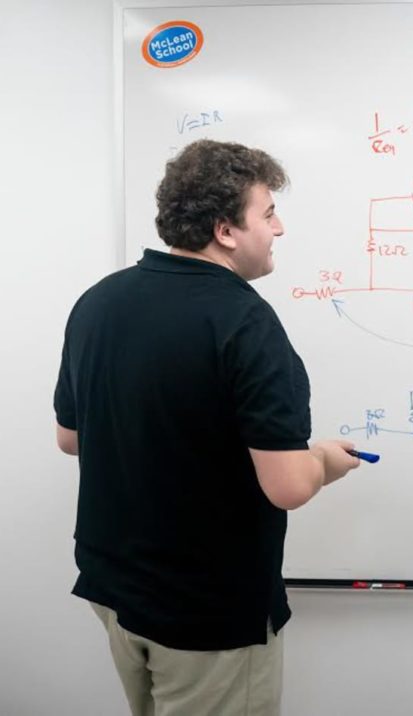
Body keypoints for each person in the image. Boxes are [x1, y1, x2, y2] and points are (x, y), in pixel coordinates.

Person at [54, 139, 360, 716]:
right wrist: (325, 460)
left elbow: (70, 436)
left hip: (114, 588)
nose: (280, 228)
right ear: (226, 230)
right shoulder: (245, 320)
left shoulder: (99, 302)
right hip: (206, 613)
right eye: (268, 213)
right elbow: (289, 485)